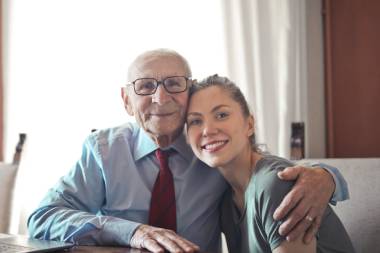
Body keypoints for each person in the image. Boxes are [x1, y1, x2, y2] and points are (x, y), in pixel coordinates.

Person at [28, 49, 349, 253]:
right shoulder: (103, 152)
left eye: (174, 84)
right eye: (145, 86)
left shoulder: (209, 151)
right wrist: (132, 232)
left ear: (188, 93)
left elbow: (268, 172)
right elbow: (42, 217)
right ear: (126, 100)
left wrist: (326, 177)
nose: (160, 97)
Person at [186, 74, 355, 253]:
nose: (208, 130)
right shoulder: (226, 201)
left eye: (221, 115)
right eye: (196, 121)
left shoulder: (275, 183)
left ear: (249, 125)